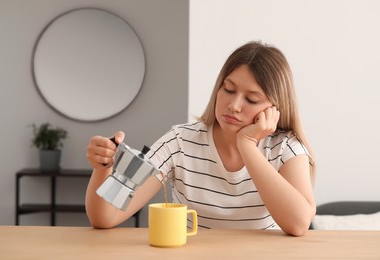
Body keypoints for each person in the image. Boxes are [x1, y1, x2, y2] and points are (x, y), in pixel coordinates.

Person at [85, 41, 316, 236]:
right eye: (228, 89)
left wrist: (247, 145)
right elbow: (106, 217)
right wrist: (103, 167)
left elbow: (298, 224)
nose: (234, 106)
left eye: (252, 100)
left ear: (274, 108)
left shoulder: (287, 148)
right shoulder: (179, 142)